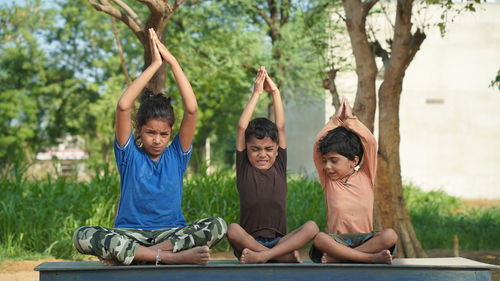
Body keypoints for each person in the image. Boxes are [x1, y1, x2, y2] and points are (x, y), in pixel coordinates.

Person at [72, 29, 227, 266]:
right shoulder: (128, 155)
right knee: (82, 235)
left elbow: (192, 110)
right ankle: (164, 257)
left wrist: (172, 62)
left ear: (170, 134)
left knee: (218, 225)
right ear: (139, 131)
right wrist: (155, 64)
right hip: (130, 234)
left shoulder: (176, 154)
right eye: (150, 133)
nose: (157, 139)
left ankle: (139, 255)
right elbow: (124, 106)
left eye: (164, 134)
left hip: (171, 234)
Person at [226, 66, 319, 264]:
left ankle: (266, 256)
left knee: (312, 227)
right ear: (247, 150)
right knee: (232, 230)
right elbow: (242, 126)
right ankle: (275, 256)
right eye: (255, 149)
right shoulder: (245, 168)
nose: (262, 154)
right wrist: (257, 93)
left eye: (268, 149)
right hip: (249, 242)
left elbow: (281, 126)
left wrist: (275, 92)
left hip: (279, 241)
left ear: (277, 149)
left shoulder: (279, 164)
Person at [310, 97, 397, 264]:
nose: (327, 166)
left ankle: (342, 258)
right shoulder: (329, 181)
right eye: (325, 160)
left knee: (390, 235)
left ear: (354, 161)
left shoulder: (366, 175)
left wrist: (350, 120)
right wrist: (335, 120)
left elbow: (370, 143)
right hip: (337, 241)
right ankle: (368, 258)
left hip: (365, 240)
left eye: (334, 161)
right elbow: (317, 144)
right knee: (320, 238)